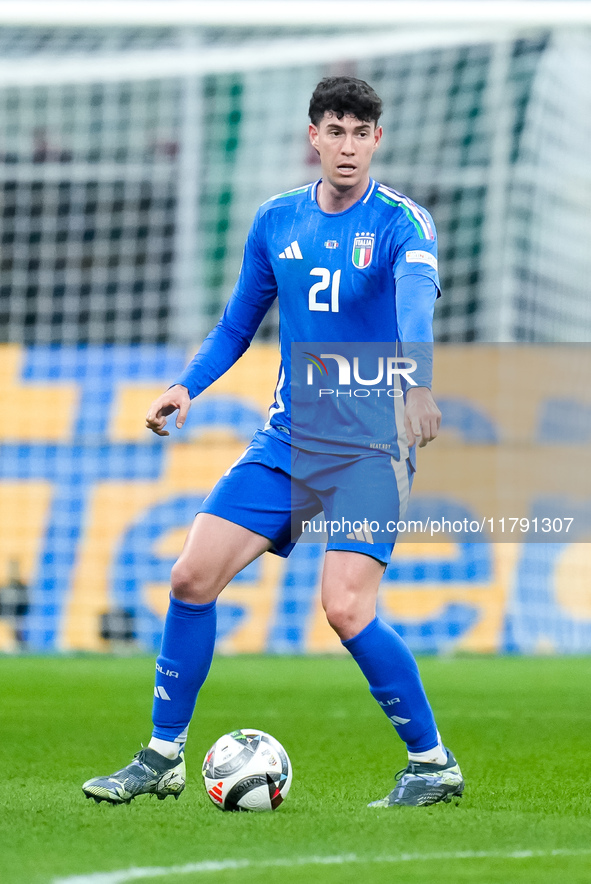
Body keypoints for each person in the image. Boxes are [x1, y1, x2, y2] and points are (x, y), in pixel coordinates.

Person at [82, 77, 464, 808]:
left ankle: (431, 763)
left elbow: (415, 307)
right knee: (191, 578)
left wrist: (416, 384)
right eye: (335, 131)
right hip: (288, 440)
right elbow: (236, 325)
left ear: (375, 141)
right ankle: (161, 757)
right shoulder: (275, 220)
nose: (347, 146)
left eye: (360, 133)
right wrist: (186, 386)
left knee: (346, 609)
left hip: (370, 449)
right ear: (312, 136)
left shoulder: (401, 224)